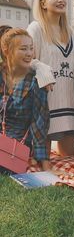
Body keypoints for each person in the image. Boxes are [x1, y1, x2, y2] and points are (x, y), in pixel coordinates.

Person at [27, 0, 74, 157]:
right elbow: (27, 59)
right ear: (43, 4)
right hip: (46, 100)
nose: (60, 0)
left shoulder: (69, 31)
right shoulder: (36, 28)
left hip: (68, 101)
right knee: (42, 159)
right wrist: (42, 68)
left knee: (69, 157)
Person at [0, 28, 50, 172]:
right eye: (23, 49)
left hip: (16, 146)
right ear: (6, 50)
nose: (29, 54)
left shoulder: (36, 81)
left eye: (31, 48)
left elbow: (39, 124)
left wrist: (46, 165)